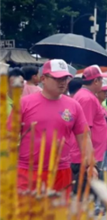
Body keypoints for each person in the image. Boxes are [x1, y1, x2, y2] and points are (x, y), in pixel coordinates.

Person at [10, 59, 92, 194]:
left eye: (65, 78)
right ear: (43, 79)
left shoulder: (74, 106)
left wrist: (90, 165)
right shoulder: (24, 103)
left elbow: (84, 136)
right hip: (28, 171)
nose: (63, 82)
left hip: (61, 172)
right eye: (57, 78)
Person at [70, 65, 107, 199]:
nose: (102, 83)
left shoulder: (84, 96)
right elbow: (85, 130)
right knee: (85, 196)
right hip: (86, 157)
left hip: (87, 155)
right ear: (96, 81)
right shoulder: (87, 98)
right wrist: (89, 160)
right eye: (101, 80)